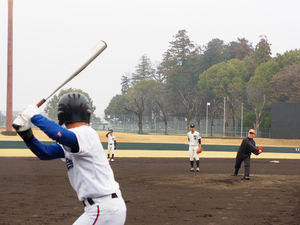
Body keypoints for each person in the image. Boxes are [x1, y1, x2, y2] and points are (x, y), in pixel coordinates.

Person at [12, 92, 126, 225]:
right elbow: (45, 153)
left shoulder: (85, 133)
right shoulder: (76, 139)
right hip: (105, 208)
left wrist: (35, 116)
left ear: (62, 115)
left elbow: (59, 135)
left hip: (103, 208)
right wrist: (25, 133)